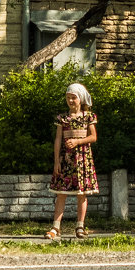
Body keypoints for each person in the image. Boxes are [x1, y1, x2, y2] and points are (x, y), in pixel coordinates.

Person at [46, 83, 99, 240]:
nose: (70, 100)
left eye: (73, 97)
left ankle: (80, 226)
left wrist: (77, 142)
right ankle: (56, 227)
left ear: (80, 98)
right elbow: (58, 139)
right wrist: (56, 161)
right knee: (61, 193)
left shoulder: (88, 117)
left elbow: (93, 137)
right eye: (68, 97)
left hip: (82, 159)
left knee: (81, 194)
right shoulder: (62, 118)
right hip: (66, 159)